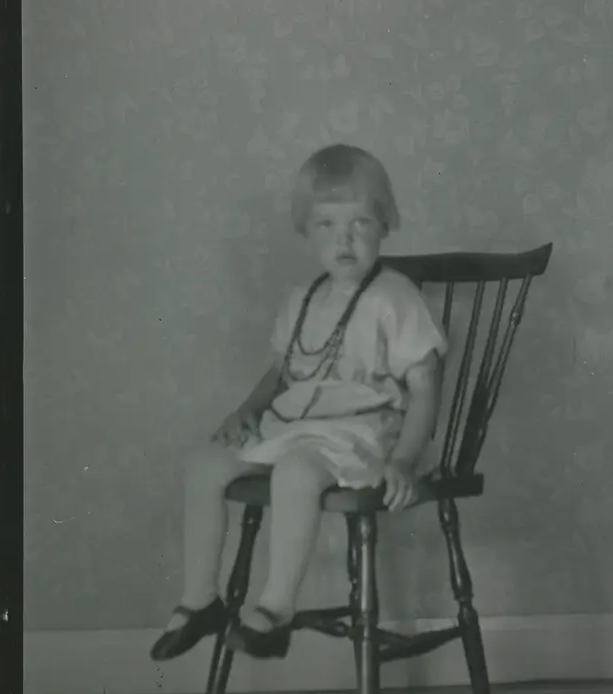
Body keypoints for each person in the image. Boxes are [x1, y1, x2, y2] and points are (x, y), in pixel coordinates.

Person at [150, 144, 447, 663]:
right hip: (295, 423)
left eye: (360, 223)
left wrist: (405, 459)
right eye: (326, 225)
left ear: (385, 225)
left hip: (359, 433)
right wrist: (247, 409)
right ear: (306, 231)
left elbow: (426, 385)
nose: (344, 239)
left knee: (294, 473)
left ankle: (275, 609)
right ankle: (200, 600)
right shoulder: (303, 297)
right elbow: (282, 371)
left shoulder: (393, 297)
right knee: (204, 466)